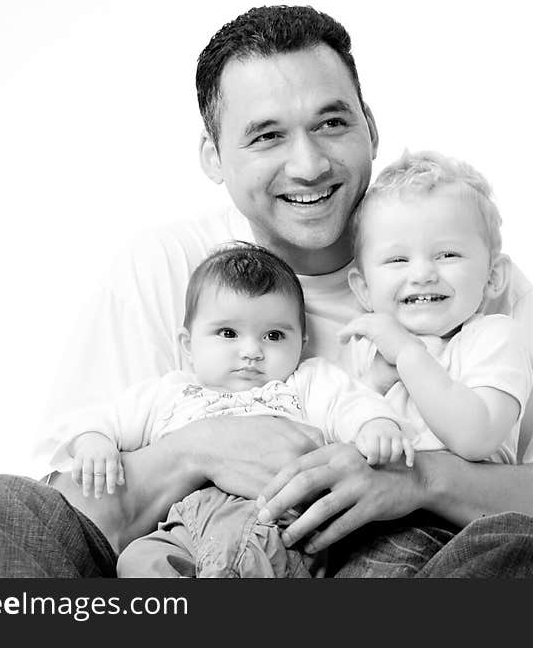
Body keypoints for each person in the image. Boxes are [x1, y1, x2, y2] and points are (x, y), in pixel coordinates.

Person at [0, 5, 533, 579]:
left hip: (391, 570)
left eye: (332, 122)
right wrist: (202, 447)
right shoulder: (162, 265)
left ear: (371, 127)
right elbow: (70, 519)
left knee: (532, 553)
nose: (309, 162)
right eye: (266, 135)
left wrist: (423, 480)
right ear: (214, 155)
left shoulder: (456, 271)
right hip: (183, 573)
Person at [51, 242, 410, 577]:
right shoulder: (169, 393)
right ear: (188, 345)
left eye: (273, 336)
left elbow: (350, 403)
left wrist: (375, 425)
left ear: (300, 344)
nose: (251, 351)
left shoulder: (304, 382)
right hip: (178, 527)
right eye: (227, 333)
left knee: (242, 558)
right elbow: (103, 419)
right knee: (137, 562)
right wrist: (94, 443)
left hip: (269, 520)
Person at [338, 150, 533, 465]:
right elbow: (336, 432)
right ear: (364, 289)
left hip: (468, 510)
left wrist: (406, 354)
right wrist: (373, 385)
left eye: (448, 255)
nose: (422, 275)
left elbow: (475, 438)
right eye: (398, 260)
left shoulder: (495, 338)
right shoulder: (364, 348)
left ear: (493, 276)